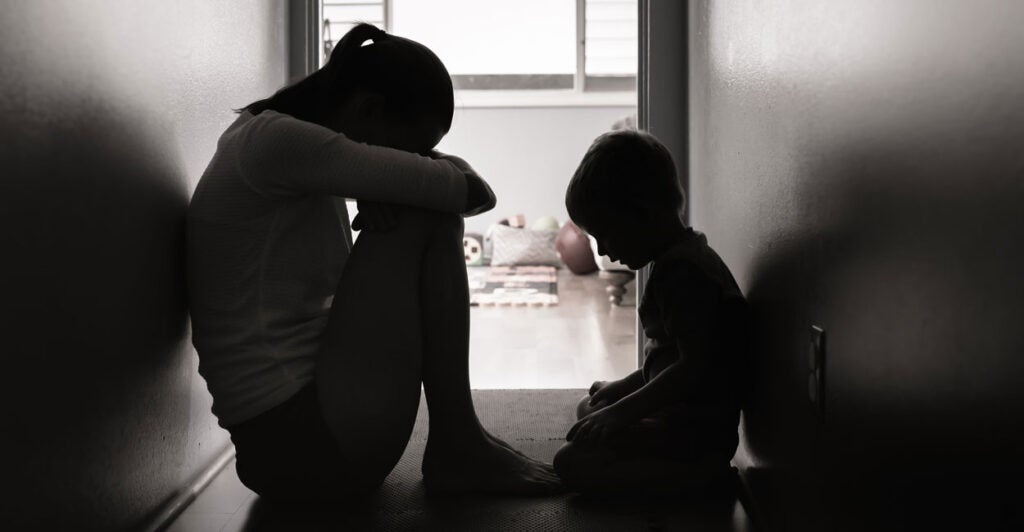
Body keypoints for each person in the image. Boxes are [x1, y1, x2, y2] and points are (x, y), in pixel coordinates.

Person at [187, 24, 562, 501]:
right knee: (428, 214)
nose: (413, 161)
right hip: (302, 442)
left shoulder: (269, 140)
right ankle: (458, 443)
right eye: (410, 151)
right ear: (367, 109)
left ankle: (459, 439)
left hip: (294, 439)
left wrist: (388, 179)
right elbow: (473, 192)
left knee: (423, 205)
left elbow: (459, 190)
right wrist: (405, 181)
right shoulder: (279, 141)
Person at [553, 129, 749, 496]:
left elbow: (693, 369)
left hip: (694, 431)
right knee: (589, 407)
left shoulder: (684, 274)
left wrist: (621, 412)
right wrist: (623, 390)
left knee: (571, 464)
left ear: (643, 214)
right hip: (679, 412)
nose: (603, 252)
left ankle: (699, 477)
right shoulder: (681, 258)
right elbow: (666, 358)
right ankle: (685, 468)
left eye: (605, 235)